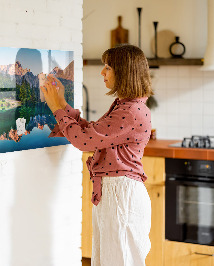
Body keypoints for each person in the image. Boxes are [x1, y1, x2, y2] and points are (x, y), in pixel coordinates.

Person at [41, 44, 153, 266]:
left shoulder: (130, 111)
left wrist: (56, 108)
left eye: (108, 67)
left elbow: (84, 141)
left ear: (124, 72)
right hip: (116, 193)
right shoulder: (126, 106)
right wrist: (62, 103)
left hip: (121, 196)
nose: (102, 72)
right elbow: (92, 133)